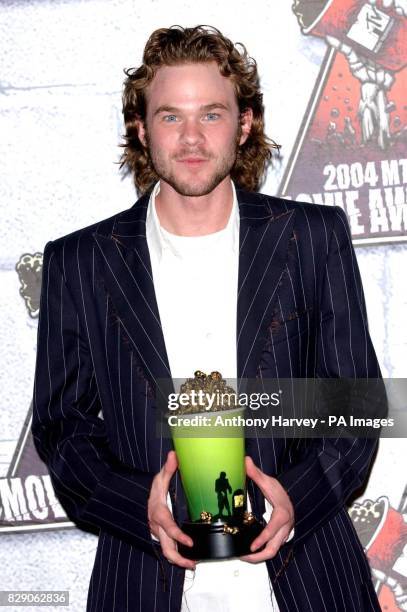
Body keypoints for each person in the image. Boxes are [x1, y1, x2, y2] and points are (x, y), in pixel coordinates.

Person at [32, 25, 382, 611]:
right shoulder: (80, 263)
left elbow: (358, 403)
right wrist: (136, 503)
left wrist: (295, 499)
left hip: (308, 581)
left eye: (212, 115)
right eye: (170, 117)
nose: (191, 137)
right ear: (141, 129)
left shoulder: (312, 239)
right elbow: (62, 428)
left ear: (244, 124)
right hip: (145, 585)